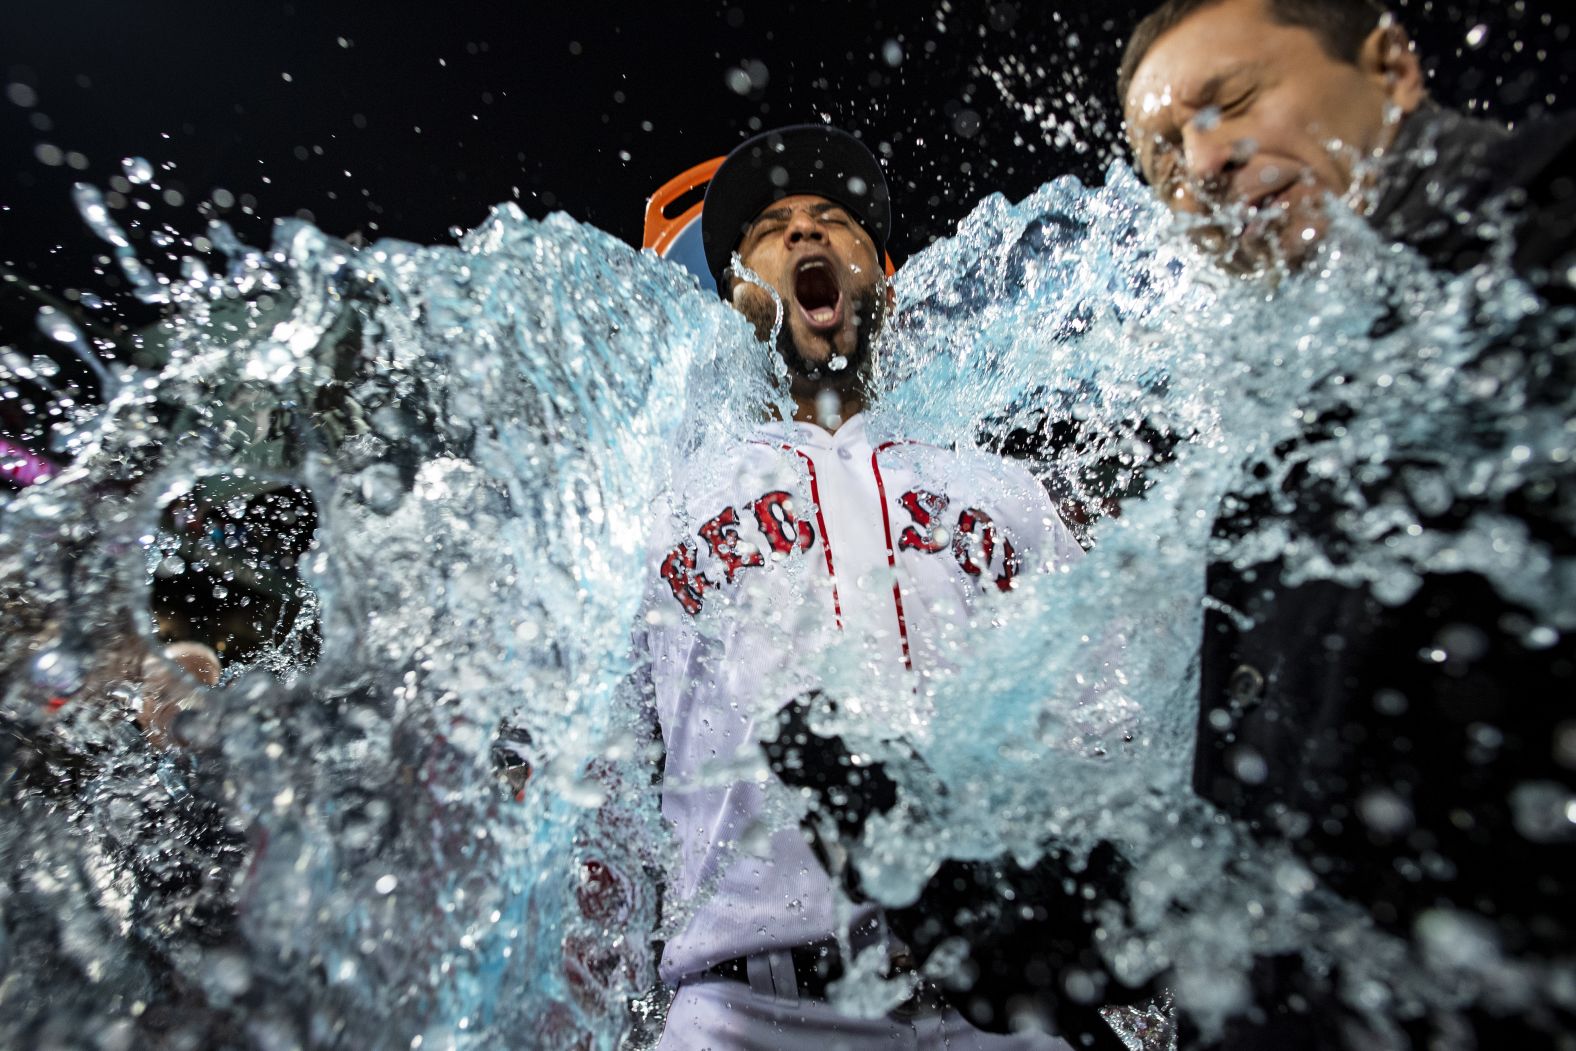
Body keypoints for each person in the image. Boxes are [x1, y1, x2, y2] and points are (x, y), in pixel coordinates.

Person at [772, 3, 1575, 1049]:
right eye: (1159, 153)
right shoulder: (1273, 459)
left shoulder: (1538, 249)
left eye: (1231, 100)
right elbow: (1252, 869)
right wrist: (929, 863)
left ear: (1390, 67)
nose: (1202, 158)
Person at [645, 124, 1084, 1051]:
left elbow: (1102, 736)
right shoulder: (657, 497)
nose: (807, 235)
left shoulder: (1007, 491)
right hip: (746, 1013)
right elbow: (591, 781)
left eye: (835, 220)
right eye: (771, 226)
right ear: (732, 293)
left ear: (881, 275)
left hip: (996, 1005)